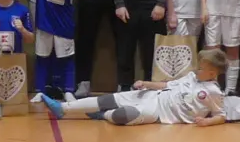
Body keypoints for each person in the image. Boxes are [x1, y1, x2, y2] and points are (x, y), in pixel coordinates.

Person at [36, 48, 225, 126]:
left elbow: (221, 115)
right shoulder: (191, 76)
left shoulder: (214, 92)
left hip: (160, 114)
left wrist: (207, 122)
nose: (197, 69)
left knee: (124, 115)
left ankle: (102, 115)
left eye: (202, 68)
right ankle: (62, 108)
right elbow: (166, 85)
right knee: (110, 98)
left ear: (212, 74)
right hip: (155, 96)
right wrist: (146, 84)